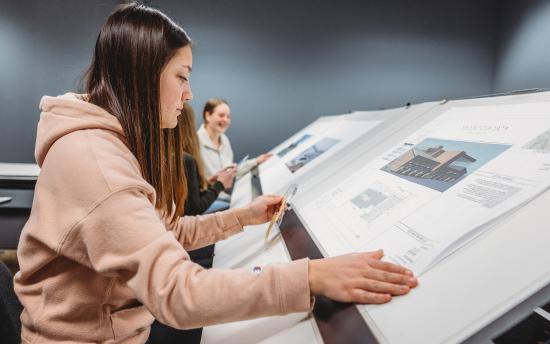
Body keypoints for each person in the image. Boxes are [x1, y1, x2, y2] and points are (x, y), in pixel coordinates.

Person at [14, 3, 417, 343]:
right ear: (142, 75)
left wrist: (241, 218)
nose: (189, 94)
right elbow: (176, 292)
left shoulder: (107, 144)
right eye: (182, 76)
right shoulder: (95, 162)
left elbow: (163, 233)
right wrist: (309, 277)